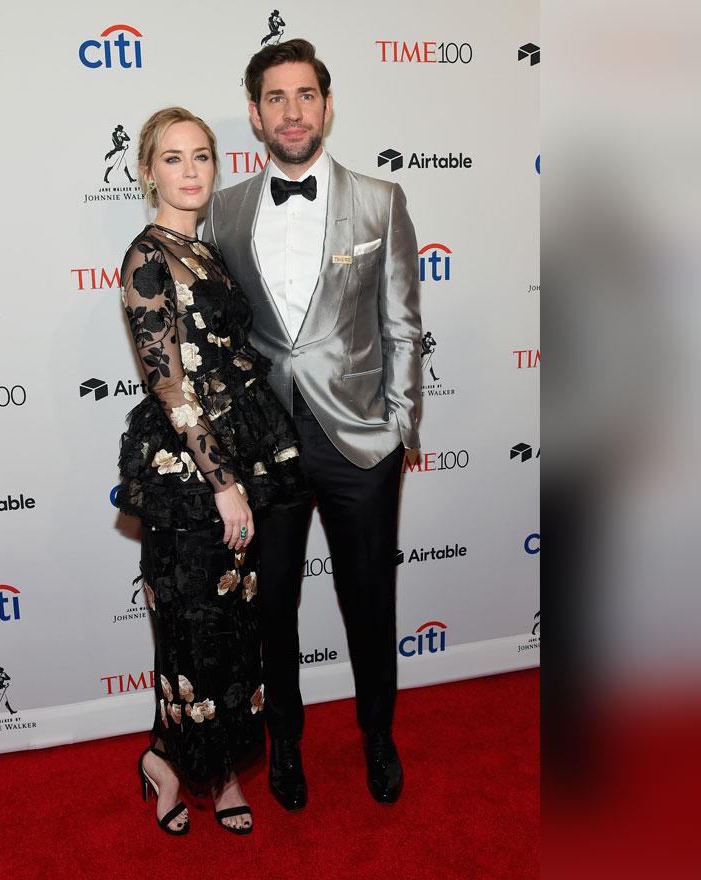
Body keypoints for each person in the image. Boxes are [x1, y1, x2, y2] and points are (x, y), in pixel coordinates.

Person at [204, 38, 424, 809]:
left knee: (371, 603)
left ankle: (377, 737)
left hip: (360, 441)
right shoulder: (223, 211)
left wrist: (400, 426)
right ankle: (285, 747)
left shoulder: (380, 200)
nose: (291, 112)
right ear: (256, 115)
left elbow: (402, 323)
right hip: (265, 445)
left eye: (305, 95)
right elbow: (221, 338)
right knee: (272, 613)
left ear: (327, 105)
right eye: (274, 98)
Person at [115, 106, 306, 835]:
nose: (190, 171)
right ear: (146, 170)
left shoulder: (209, 250)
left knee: (232, 627)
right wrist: (223, 481)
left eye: (201, 157)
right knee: (190, 634)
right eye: (172, 158)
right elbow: (169, 385)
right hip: (189, 474)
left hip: (241, 455)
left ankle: (220, 768)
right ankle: (170, 763)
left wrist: (244, 469)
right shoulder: (146, 258)